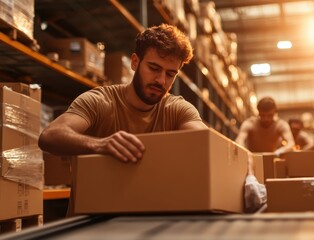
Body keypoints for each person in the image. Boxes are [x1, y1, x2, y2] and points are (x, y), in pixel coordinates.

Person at [38, 23, 265, 212]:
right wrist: (100, 144)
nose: (161, 81)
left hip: (150, 220)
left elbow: (207, 142)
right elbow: (50, 136)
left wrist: (245, 169)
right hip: (93, 221)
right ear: (135, 62)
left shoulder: (176, 108)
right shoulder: (101, 101)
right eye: (154, 68)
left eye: (170, 74)